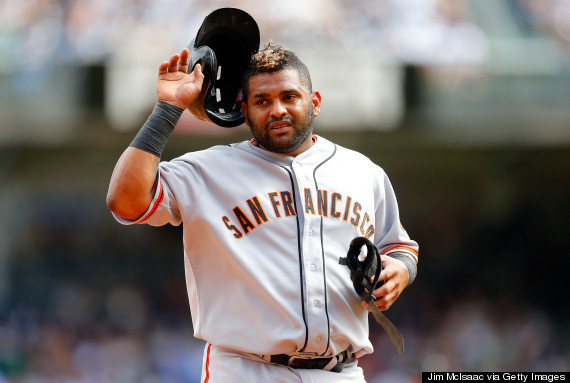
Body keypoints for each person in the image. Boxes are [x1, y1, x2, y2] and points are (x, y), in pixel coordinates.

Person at [106, 42, 419, 382]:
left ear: (314, 103)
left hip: (341, 372)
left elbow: (399, 246)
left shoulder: (362, 171)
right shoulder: (207, 170)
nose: (277, 110)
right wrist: (167, 109)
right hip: (246, 369)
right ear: (245, 110)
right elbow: (125, 200)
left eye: (289, 97)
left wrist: (401, 270)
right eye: (262, 101)